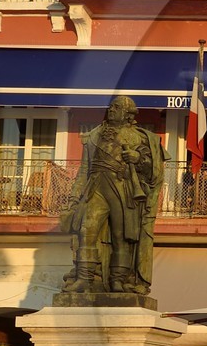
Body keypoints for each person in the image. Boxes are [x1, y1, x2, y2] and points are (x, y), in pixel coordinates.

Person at [61, 95, 168, 296]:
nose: (111, 110)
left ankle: (118, 280)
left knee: (122, 237)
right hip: (96, 188)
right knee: (86, 231)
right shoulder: (94, 135)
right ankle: (84, 278)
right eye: (111, 106)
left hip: (123, 189)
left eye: (116, 107)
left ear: (128, 115)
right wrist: (74, 198)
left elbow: (153, 171)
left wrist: (138, 158)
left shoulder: (140, 138)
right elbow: (84, 171)